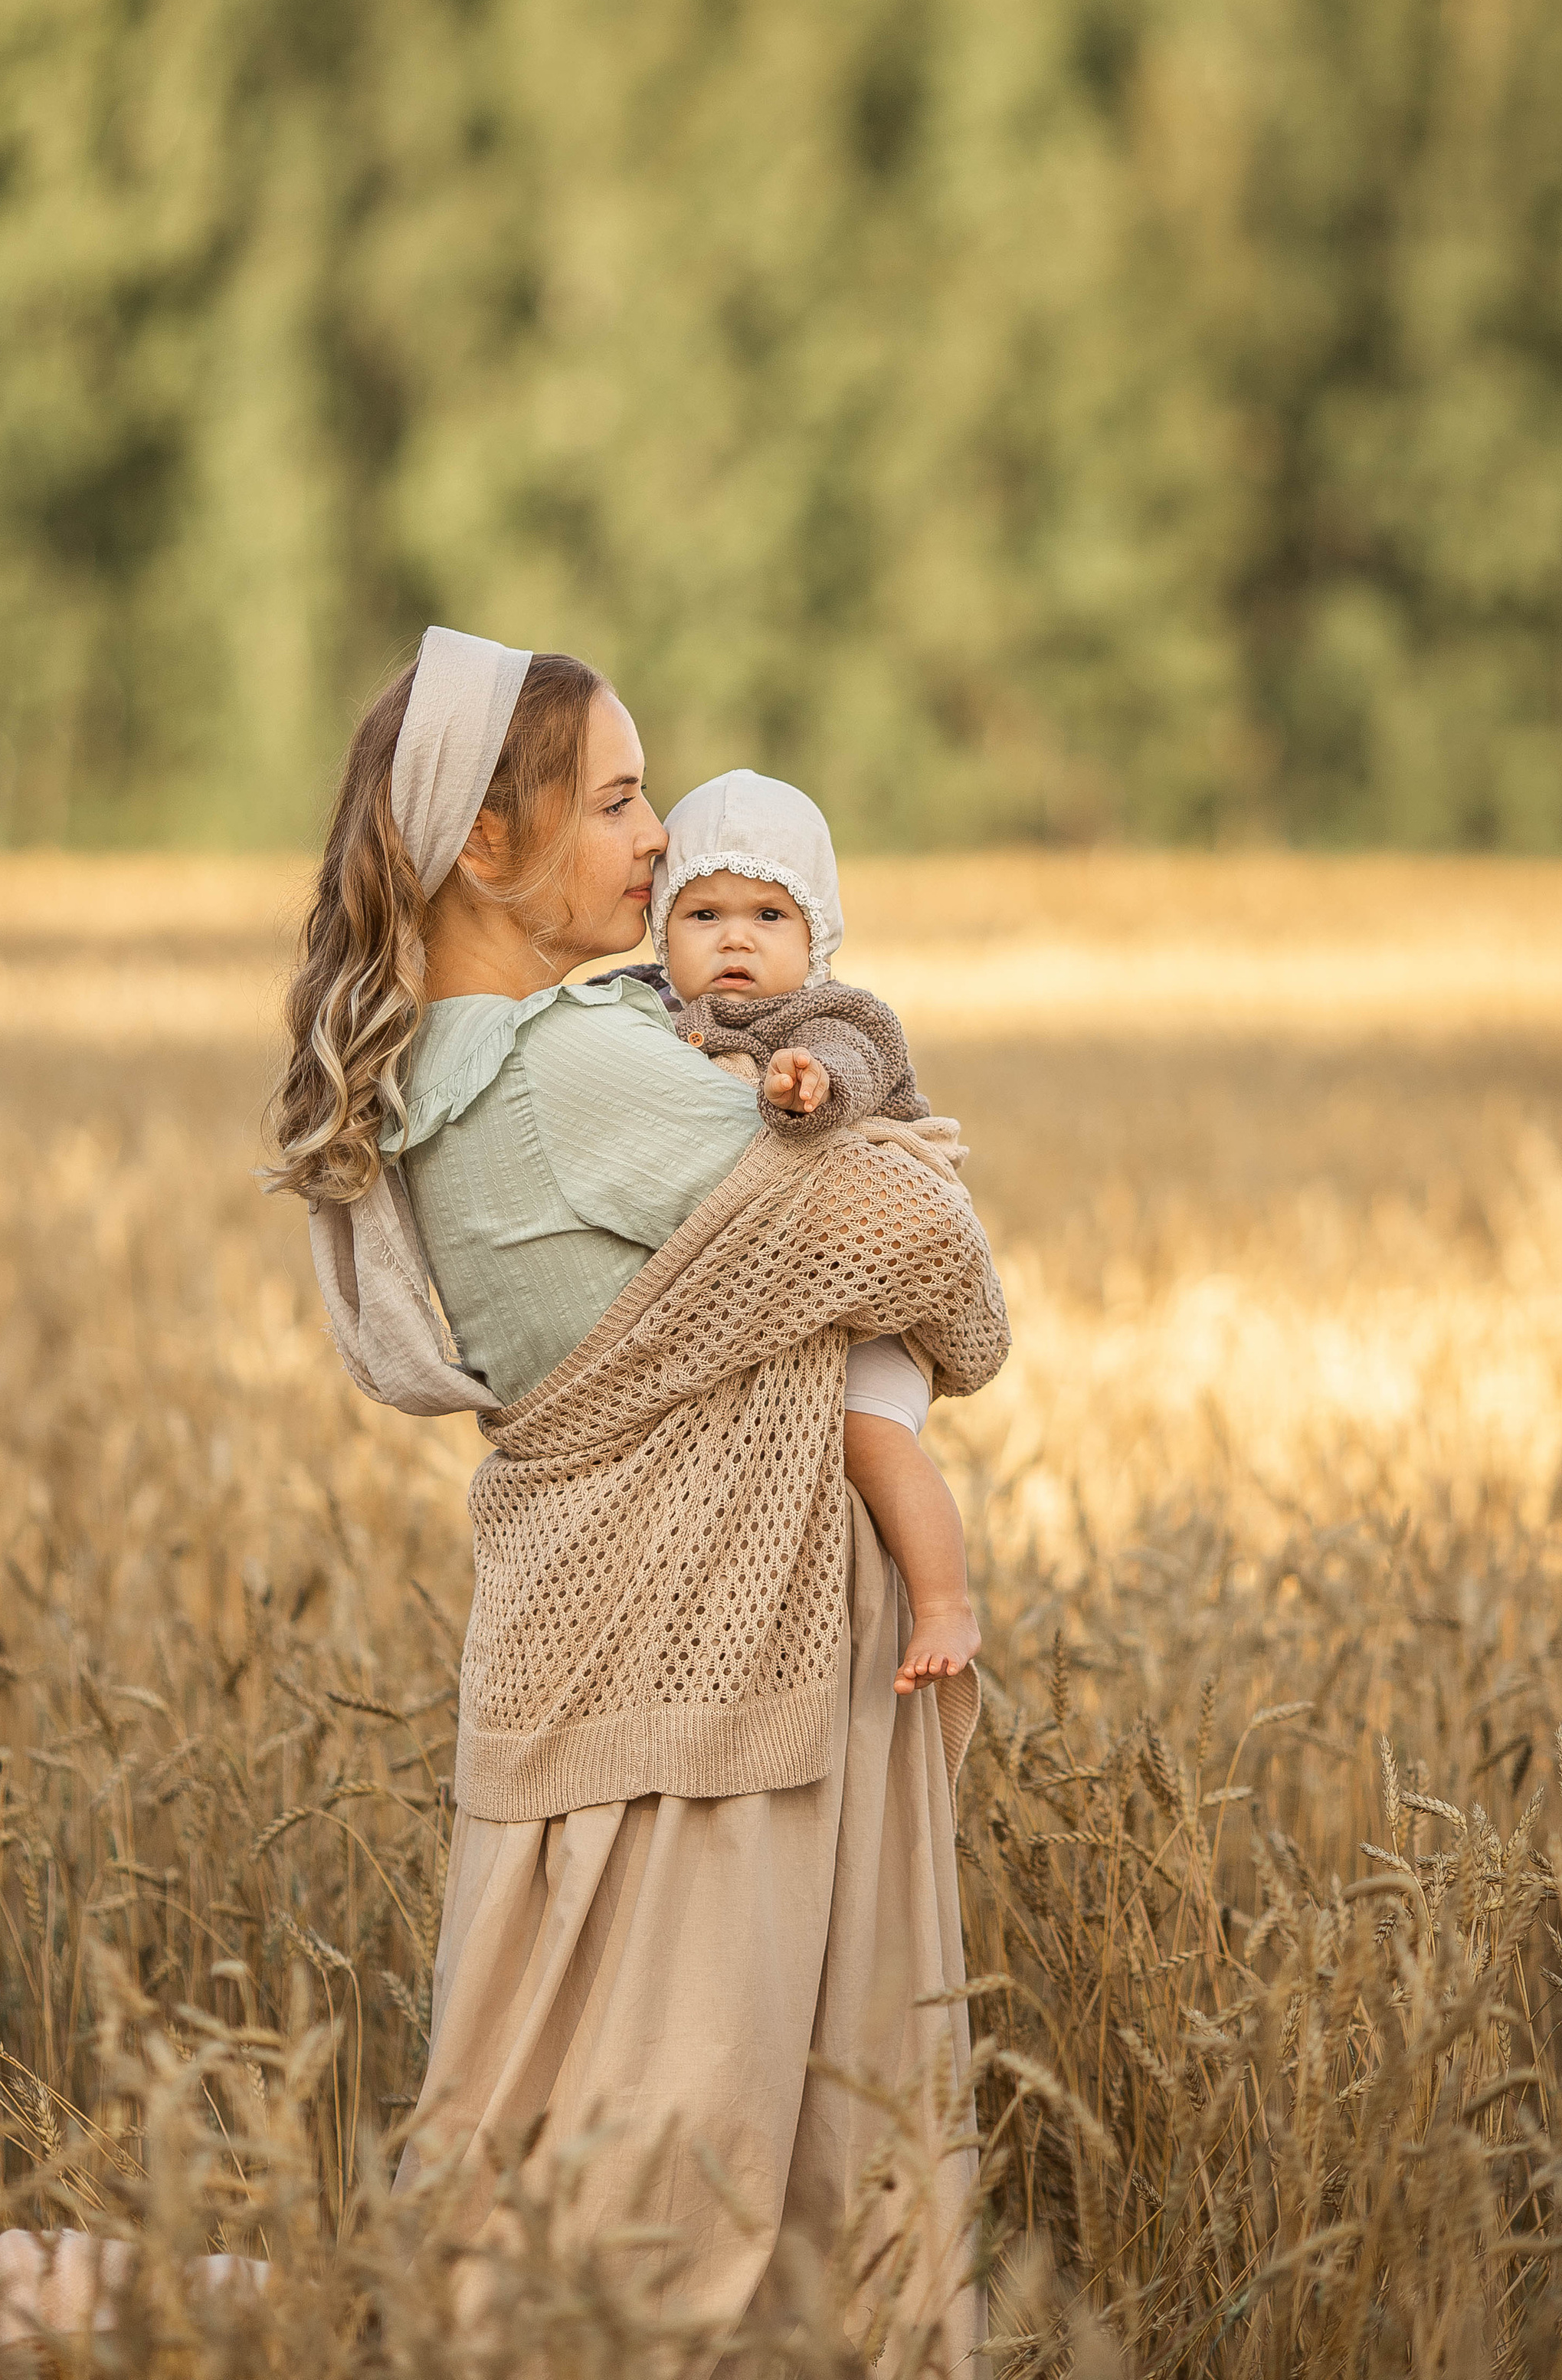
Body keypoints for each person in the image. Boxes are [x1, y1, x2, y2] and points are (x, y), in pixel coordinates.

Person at [270, 629, 1010, 2364]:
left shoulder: (452, 1074)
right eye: (613, 797)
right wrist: (893, 1174)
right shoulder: (573, 1069)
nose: (657, 837)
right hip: (707, 1686)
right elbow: (941, 1265)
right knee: (711, 2189)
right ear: (484, 847)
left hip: (621, 1665)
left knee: (569, 2162)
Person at [635, 767, 982, 1702]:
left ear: (816, 932)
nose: (735, 937)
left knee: (865, 1436)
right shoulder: (646, 1016)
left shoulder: (830, 1018)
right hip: (777, 1298)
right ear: (660, 929)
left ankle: (944, 1601)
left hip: (873, 1311)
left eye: (768, 916)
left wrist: (803, 1091)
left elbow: (848, 1071)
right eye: (702, 916)